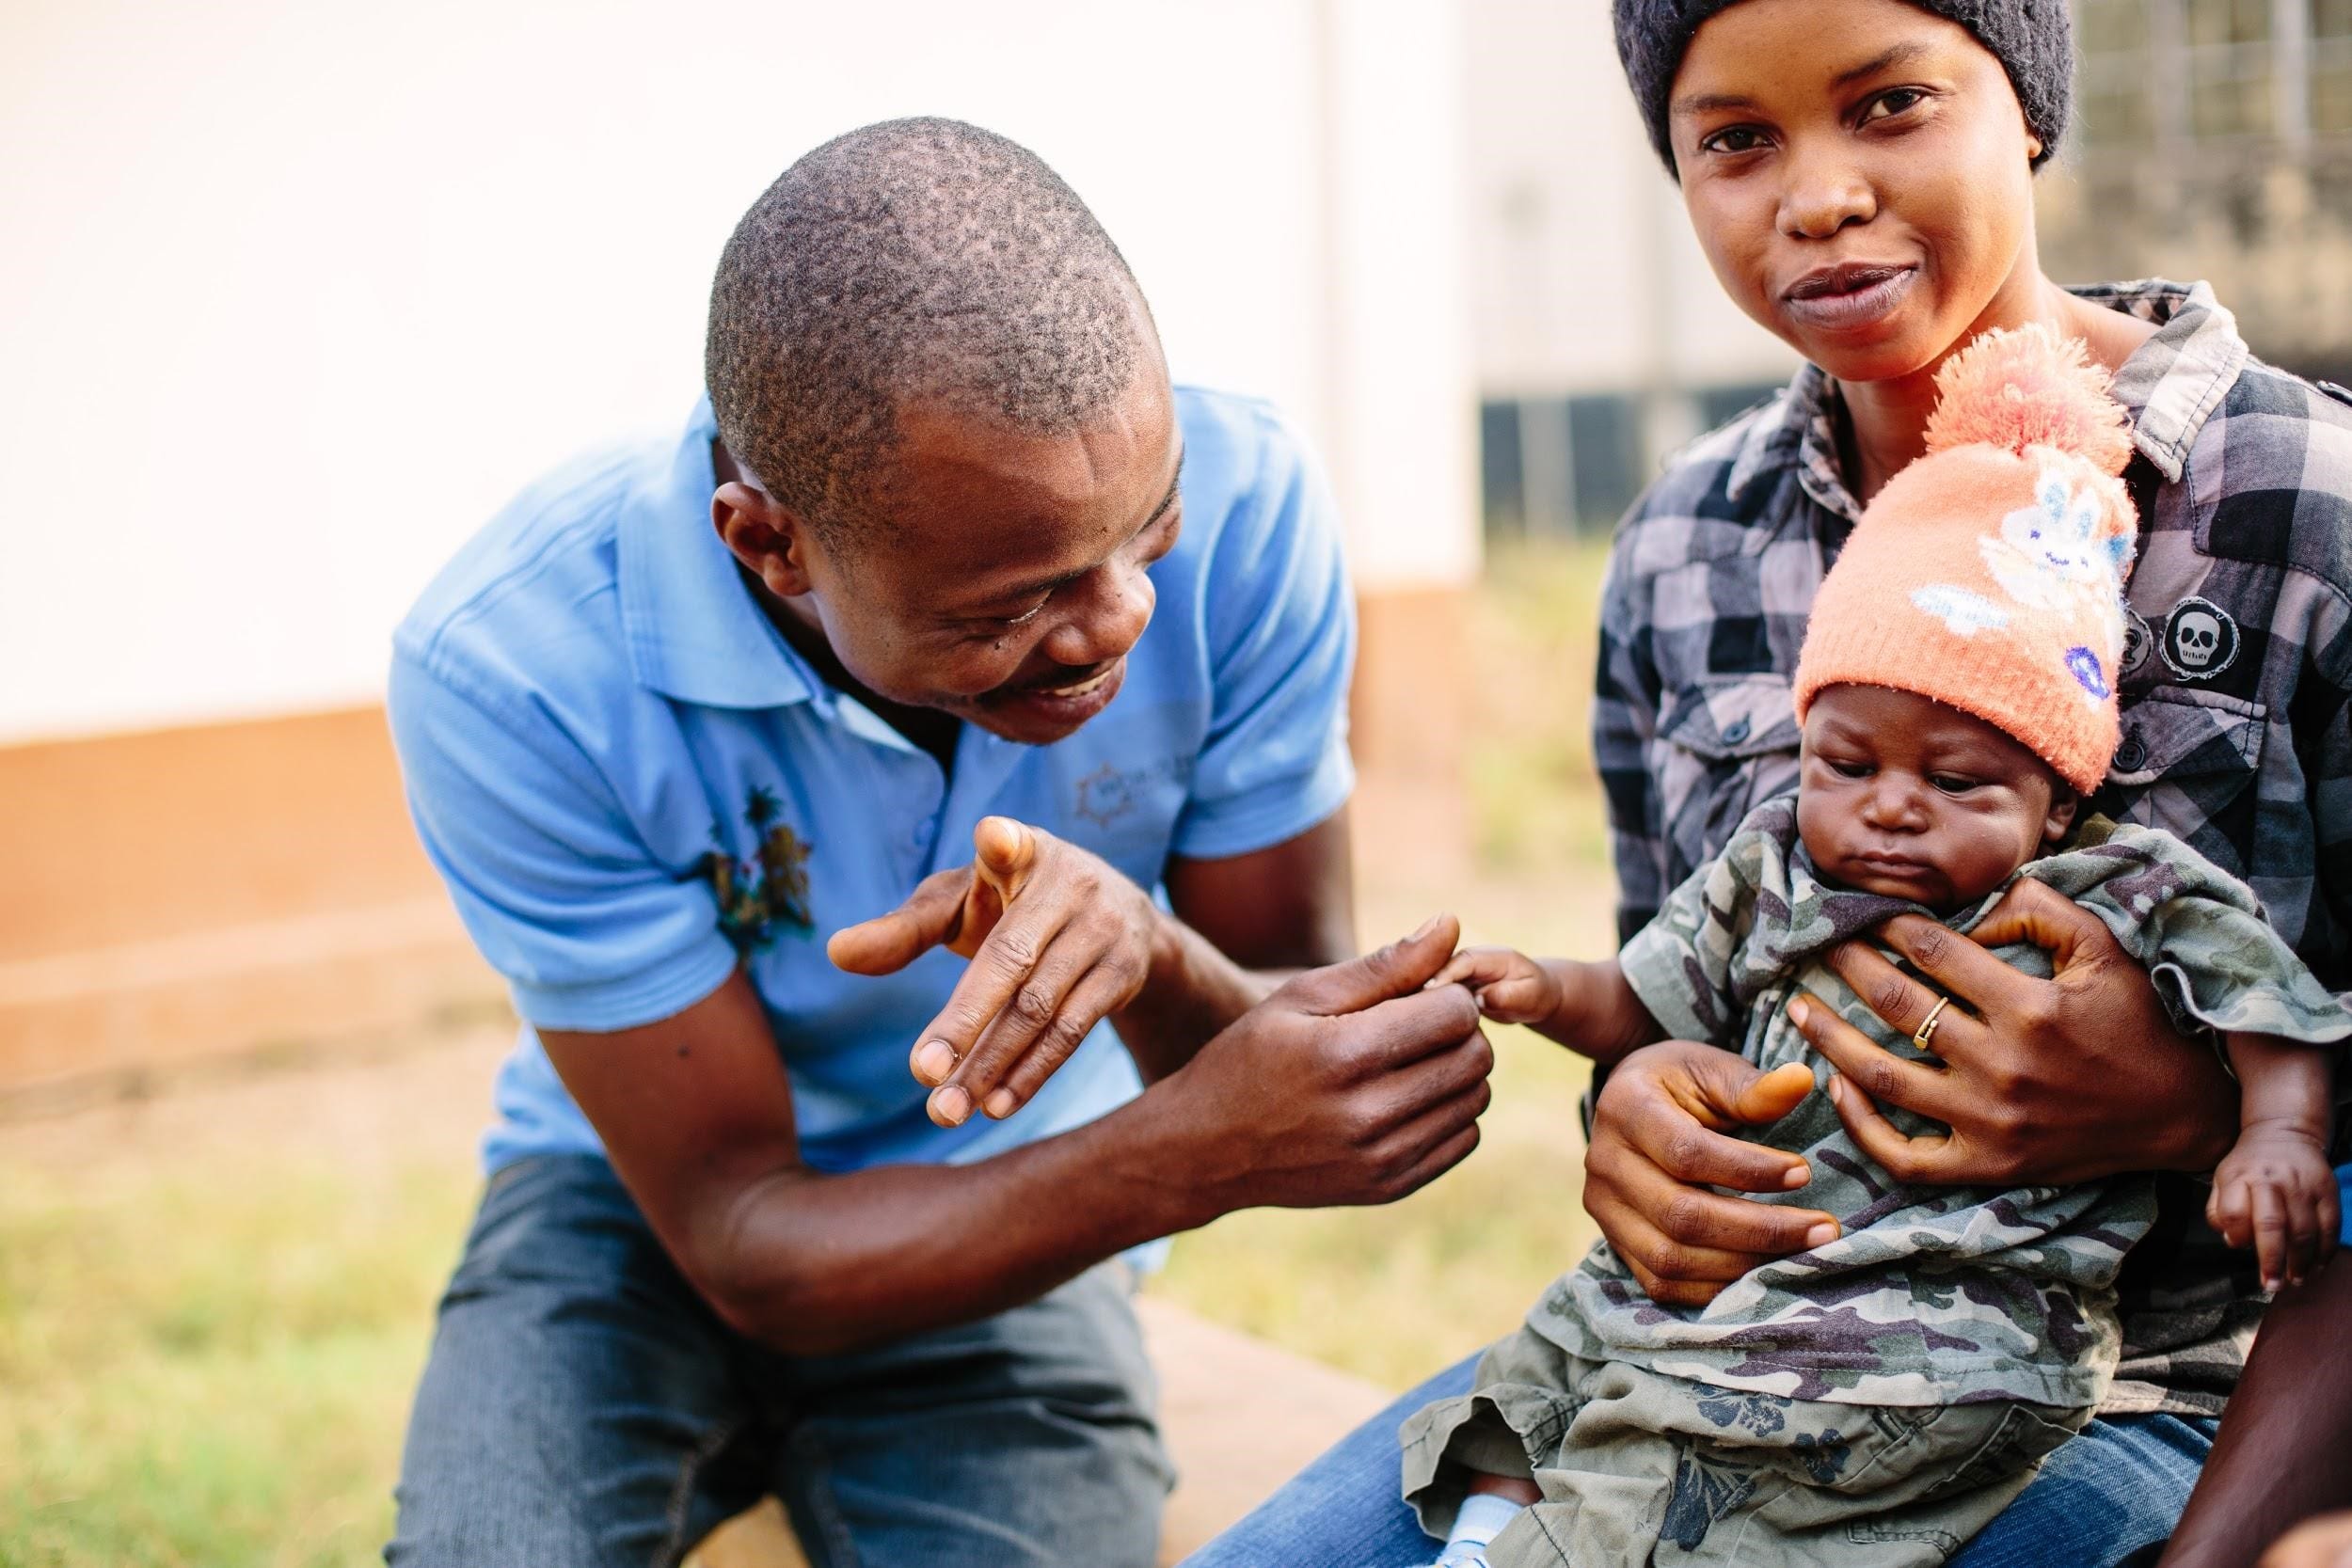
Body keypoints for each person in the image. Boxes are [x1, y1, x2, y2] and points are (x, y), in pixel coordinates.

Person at [1183, 1, 2352, 1562]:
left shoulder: (2304, 508)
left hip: (2140, 1397)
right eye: (1735, 139)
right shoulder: (1684, 545)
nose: (1814, 196)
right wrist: (1646, 1116)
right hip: (1718, 1357)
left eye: (1889, 105)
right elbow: (1687, 993)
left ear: (2031, 110)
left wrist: (2199, 1106)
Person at [381, 117, 1493, 1568]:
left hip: (1027, 1198)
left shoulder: (1253, 499)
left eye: (1145, 528)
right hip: (630, 1217)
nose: (1115, 623)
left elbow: (1281, 1005)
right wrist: (1178, 1157)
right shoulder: (516, 665)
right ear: (767, 544)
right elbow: (741, 1232)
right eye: (1009, 604)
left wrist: (1153, 957)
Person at [1393, 326, 2344, 1568]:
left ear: (2057, 798)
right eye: (1848, 763)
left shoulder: (2121, 883)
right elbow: (1646, 996)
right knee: (1562, 1339)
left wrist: (2275, 1134)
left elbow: (2264, 997)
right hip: (1747, 1269)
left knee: (1761, 1468)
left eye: (1956, 782)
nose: (1891, 805)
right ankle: (1497, 1527)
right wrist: (1544, 993)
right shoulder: (1777, 858)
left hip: (1952, 1316)